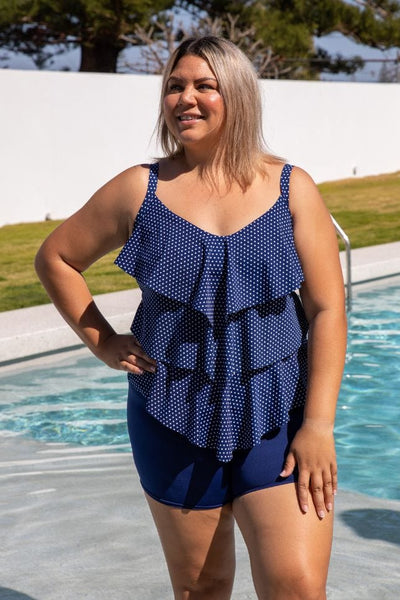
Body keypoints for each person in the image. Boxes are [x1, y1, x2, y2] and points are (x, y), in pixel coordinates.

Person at [35, 36, 347, 600]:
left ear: (239, 95)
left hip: (276, 415)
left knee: (296, 586)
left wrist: (318, 425)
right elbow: (56, 257)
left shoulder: (290, 188)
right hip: (170, 414)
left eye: (205, 85)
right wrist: (101, 340)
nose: (186, 98)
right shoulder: (141, 188)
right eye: (175, 86)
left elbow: (327, 309)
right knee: (202, 589)